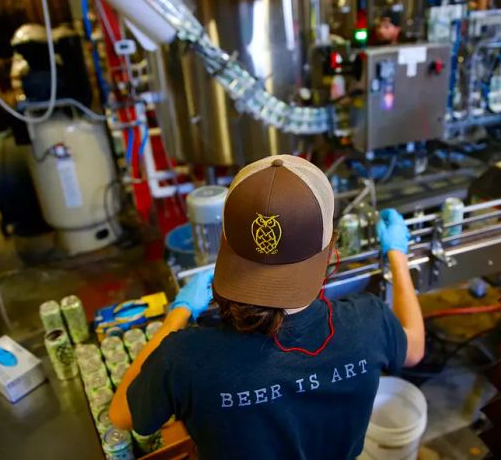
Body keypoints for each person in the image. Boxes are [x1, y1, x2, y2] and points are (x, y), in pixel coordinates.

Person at [109, 155, 425, 459]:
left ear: (225, 246)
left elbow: (121, 414)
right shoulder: (368, 322)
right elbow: (414, 349)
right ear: (329, 251)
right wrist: (397, 255)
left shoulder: (182, 358)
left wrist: (178, 313)